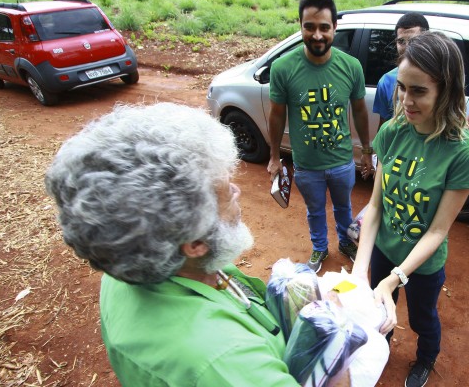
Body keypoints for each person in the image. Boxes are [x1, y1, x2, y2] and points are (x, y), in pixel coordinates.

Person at [44, 103, 302, 386]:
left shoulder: (128, 262)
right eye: (227, 191)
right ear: (194, 243)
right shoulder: (225, 360)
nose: (237, 191)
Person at [351, 32, 469, 387]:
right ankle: (380, 349)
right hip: (382, 248)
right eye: (402, 88)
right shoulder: (393, 131)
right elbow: (375, 205)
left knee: (424, 318)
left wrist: (396, 277)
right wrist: (360, 270)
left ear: (447, 90)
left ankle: (426, 358)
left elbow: (438, 231)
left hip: (422, 264)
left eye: (419, 91)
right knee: (378, 311)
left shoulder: (464, 152)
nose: (406, 101)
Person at [267, 0, 373, 273]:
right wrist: (274, 156)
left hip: (341, 162)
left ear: (334, 28)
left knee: (343, 209)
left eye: (324, 27)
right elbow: (276, 115)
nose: (317, 35)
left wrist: (366, 150)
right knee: (314, 211)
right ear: (300, 25)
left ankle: (346, 242)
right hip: (306, 165)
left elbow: (360, 111)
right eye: (309, 27)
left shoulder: (350, 67)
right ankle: (319, 247)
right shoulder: (283, 68)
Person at [372, 12, 429, 127]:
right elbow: (383, 126)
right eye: (401, 41)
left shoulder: (439, 78)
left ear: (427, 39)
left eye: (413, 40)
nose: (407, 47)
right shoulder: (386, 81)